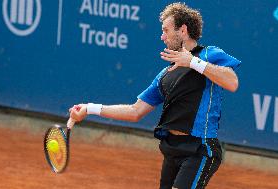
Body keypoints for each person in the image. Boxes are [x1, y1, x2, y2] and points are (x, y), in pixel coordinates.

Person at [69, 2, 241, 189]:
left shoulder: (209, 54)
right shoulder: (165, 75)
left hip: (200, 149)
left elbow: (232, 82)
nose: (162, 36)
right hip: (172, 148)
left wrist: (193, 62)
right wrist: (89, 108)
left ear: (182, 30)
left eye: (166, 30)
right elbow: (135, 111)